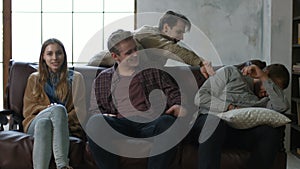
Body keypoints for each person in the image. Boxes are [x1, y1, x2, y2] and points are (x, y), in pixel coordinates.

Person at [86, 29, 187, 169]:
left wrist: (178, 105)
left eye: (136, 49)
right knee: (94, 122)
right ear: (115, 56)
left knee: (168, 122)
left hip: (150, 123)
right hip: (121, 124)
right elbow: (94, 110)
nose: (135, 55)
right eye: (129, 53)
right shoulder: (103, 78)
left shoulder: (152, 71)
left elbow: (175, 93)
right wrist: (101, 116)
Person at [191, 63, 290, 169]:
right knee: (215, 123)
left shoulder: (264, 101)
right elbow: (200, 97)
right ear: (265, 72)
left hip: (235, 133)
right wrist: (229, 107)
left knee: (270, 133)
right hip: (208, 125)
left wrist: (264, 78)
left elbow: (282, 107)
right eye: (271, 84)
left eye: (272, 87)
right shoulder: (230, 72)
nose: (267, 93)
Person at [88, 10, 215, 78]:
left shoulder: (161, 43)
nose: (181, 37)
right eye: (179, 32)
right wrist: (201, 62)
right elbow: (175, 50)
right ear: (166, 27)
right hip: (97, 65)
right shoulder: (151, 35)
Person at [23, 38, 86, 169]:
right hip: (34, 122)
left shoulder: (76, 78)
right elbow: (28, 110)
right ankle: (62, 165)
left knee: (44, 124)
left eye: (59, 53)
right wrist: (49, 110)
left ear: (64, 55)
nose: (55, 57)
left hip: (66, 126)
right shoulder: (34, 78)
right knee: (55, 111)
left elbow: (81, 110)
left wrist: (60, 119)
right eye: (49, 54)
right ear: (43, 57)